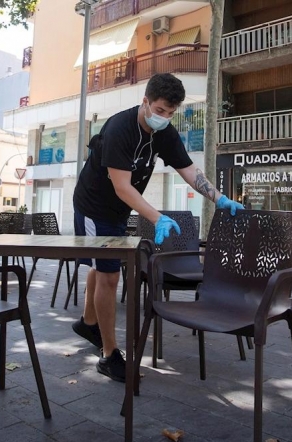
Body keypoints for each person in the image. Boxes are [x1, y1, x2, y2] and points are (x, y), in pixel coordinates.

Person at [72, 73, 244, 382]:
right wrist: (157, 217)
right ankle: (109, 355)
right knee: (110, 275)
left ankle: (88, 322)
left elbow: (189, 171)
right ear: (146, 102)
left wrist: (219, 198)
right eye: (160, 110)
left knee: (101, 268)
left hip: (118, 210)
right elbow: (122, 186)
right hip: (94, 207)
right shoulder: (119, 129)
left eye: (171, 112)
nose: (164, 117)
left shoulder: (164, 133)